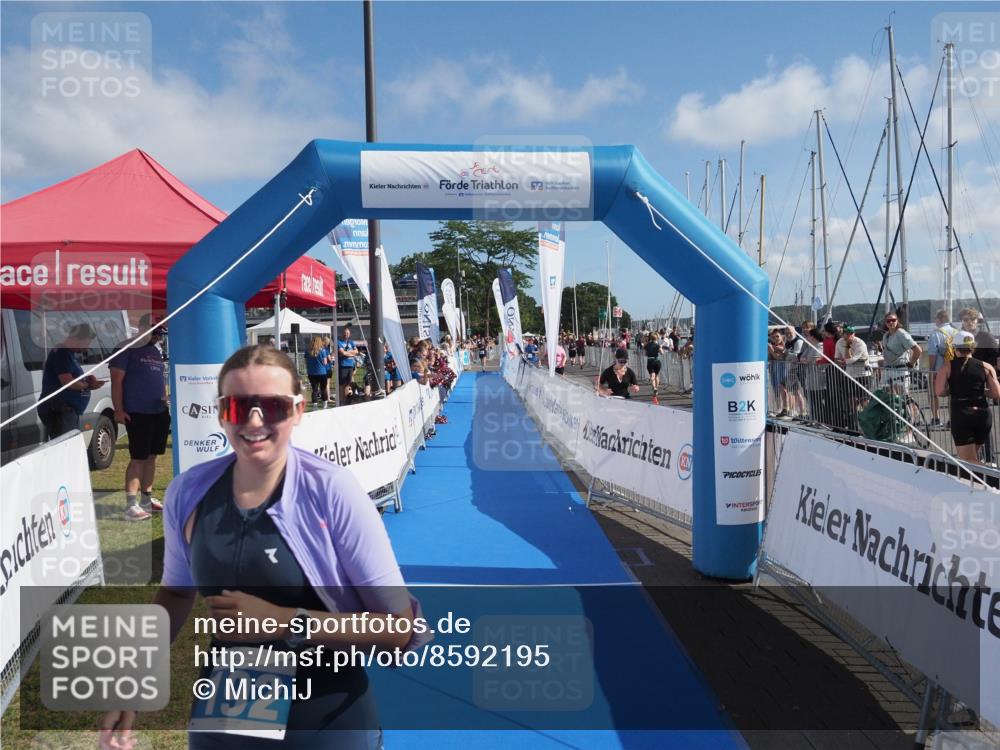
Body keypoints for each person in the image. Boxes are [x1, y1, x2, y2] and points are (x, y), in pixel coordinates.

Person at [99, 345, 425, 750]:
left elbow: (398, 628)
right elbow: (177, 591)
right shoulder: (189, 492)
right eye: (238, 407)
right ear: (221, 413)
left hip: (326, 718)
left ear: (298, 411)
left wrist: (286, 621)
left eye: (273, 407)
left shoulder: (332, 491)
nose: (255, 421)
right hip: (228, 713)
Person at [111, 314, 170, 522]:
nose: (158, 337)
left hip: (158, 411)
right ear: (143, 327)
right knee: (138, 458)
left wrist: (164, 397)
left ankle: (146, 498)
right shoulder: (125, 348)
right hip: (137, 412)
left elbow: (159, 377)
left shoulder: (155, 350)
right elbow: (117, 380)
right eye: (155, 332)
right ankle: (131, 504)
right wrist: (119, 409)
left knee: (152, 456)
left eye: (160, 333)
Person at [936, 331, 1000, 465]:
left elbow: (940, 391)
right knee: (973, 458)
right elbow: (996, 394)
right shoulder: (986, 366)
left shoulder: (947, 366)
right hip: (982, 413)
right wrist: (982, 391)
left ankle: (995, 479)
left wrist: (951, 390)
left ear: (954, 348)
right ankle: (981, 484)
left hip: (962, 413)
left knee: (968, 460)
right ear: (973, 347)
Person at [37, 323, 104, 440]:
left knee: (68, 445)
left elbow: (70, 378)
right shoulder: (62, 354)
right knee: (65, 446)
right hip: (60, 410)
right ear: (78, 338)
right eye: (87, 343)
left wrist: (85, 379)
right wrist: (88, 385)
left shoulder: (68, 354)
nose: (87, 348)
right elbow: (68, 383)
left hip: (65, 410)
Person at [834, 325, 871, 432]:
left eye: (851, 333)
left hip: (863, 374)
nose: (848, 336)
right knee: (851, 401)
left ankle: (869, 425)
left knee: (864, 401)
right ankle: (854, 425)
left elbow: (849, 360)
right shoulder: (839, 342)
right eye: (846, 333)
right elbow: (836, 358)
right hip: (849, 374)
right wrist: (844, 358)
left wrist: (847, 348)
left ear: (854, 334)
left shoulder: (860, 343)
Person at [926, 309, 958, 426]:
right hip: (954, 369)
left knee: (934, 394)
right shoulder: (957, 332)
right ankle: (952, 420)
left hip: (939, 370)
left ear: (939, 320)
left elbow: (932, 355)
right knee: (952, 394)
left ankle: (936, 419)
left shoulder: (935, 334)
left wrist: (931, 370)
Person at [881, 311, 921, 395]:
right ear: (885, 323)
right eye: (888, 321)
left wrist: (911, 363)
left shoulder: (901, 333)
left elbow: (918, 350)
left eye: (893, 320)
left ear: (897, 321)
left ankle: (913, 408)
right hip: (888, 371)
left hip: (900, 370)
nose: (891, 322)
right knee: (888, 398)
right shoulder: (886, 336)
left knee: (903, 399)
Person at [305, 336, 331, 406]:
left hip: (311, 373)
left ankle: (314, 405)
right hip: (322, 372)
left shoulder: (307, 350)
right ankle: (325, 404)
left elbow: (306, 362)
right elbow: (325, 362)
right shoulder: (322, 350)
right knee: (323, 389)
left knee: (314, 390)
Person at [337, 326, 360, 402]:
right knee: (342, 384)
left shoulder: (351, 342)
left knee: (349, 384)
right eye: (345, 333)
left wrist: (347, 353)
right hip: (343, 365)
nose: (346, 334)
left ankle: (349, 399)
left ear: (349, 334)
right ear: (342, 334)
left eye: (348, 333)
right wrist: (351, 353)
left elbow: (356, 351)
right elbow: (342, 353)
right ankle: (341, 400)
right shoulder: (339, 342)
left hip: (350, 365)